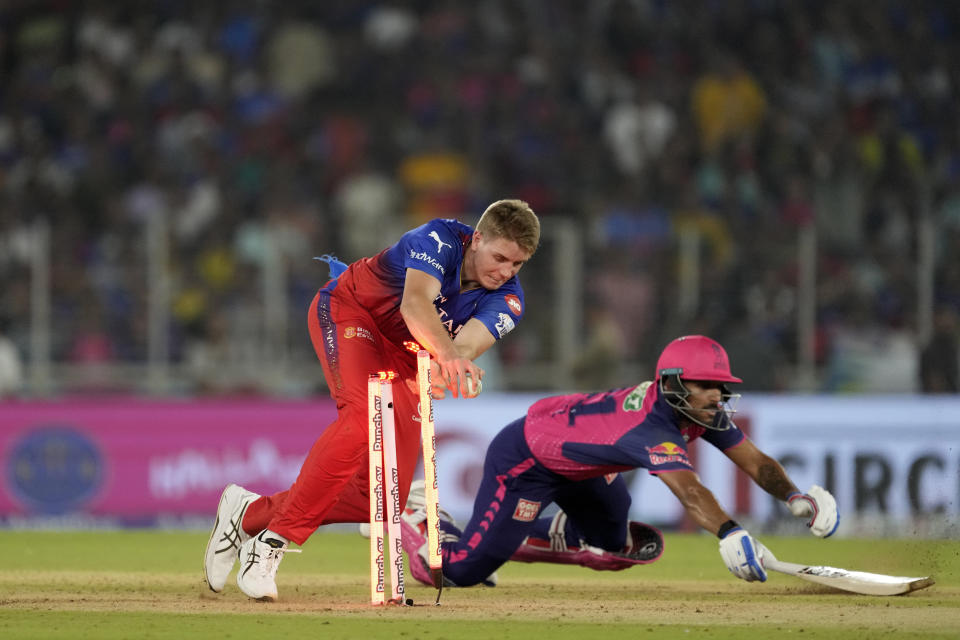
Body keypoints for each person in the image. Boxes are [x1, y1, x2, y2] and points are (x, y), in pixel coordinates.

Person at [203, 200, 540, 600]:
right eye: (500, 258)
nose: (505, 273)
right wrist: (447, 356)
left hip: (401, 355)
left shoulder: (509, 300)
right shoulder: (439, 238)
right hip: (351, 314)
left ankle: (248, 514)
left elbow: (464, 347)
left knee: (382, 499)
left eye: (516, 266)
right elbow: (415, 304)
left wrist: (449, 367)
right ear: (477, 238)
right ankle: (273, 543)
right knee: (361, 422)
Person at [401, 335, 839, 588]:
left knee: (613, 542)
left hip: (581, 464)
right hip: (527, 460)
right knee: (457, 572)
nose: (717, 396)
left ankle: (507, 537)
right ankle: (420, 516)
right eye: (706, 385)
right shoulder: (650, 426)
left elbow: (757, 463)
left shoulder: (696, 409)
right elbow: (689, 490)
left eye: (721, 387)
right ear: (672, 384)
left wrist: (795, 497)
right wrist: (729, 531)